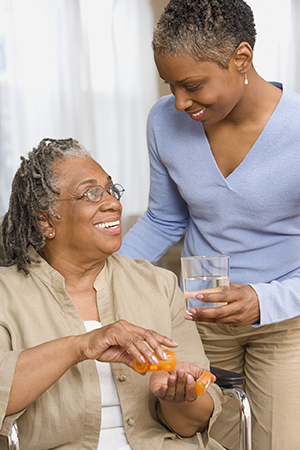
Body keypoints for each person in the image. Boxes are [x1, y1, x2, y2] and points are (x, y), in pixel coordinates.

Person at [118, 1, 300, 449]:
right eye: (171, 85)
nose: (179, 102)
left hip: (285, 319)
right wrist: (105, 274)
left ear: (241, 58)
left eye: (193, 85)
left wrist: (264, 299)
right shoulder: (164, 120)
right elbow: (163, 218)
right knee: (200, 439)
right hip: (195, 316)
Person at [0, 138, 224, 450]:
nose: (112, 203)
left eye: (111, 190)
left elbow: (193, 424)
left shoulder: (158, 285)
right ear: (45, 220)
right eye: (91, 193)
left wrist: (178, 398)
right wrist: (81, 346)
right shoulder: (6, 294)